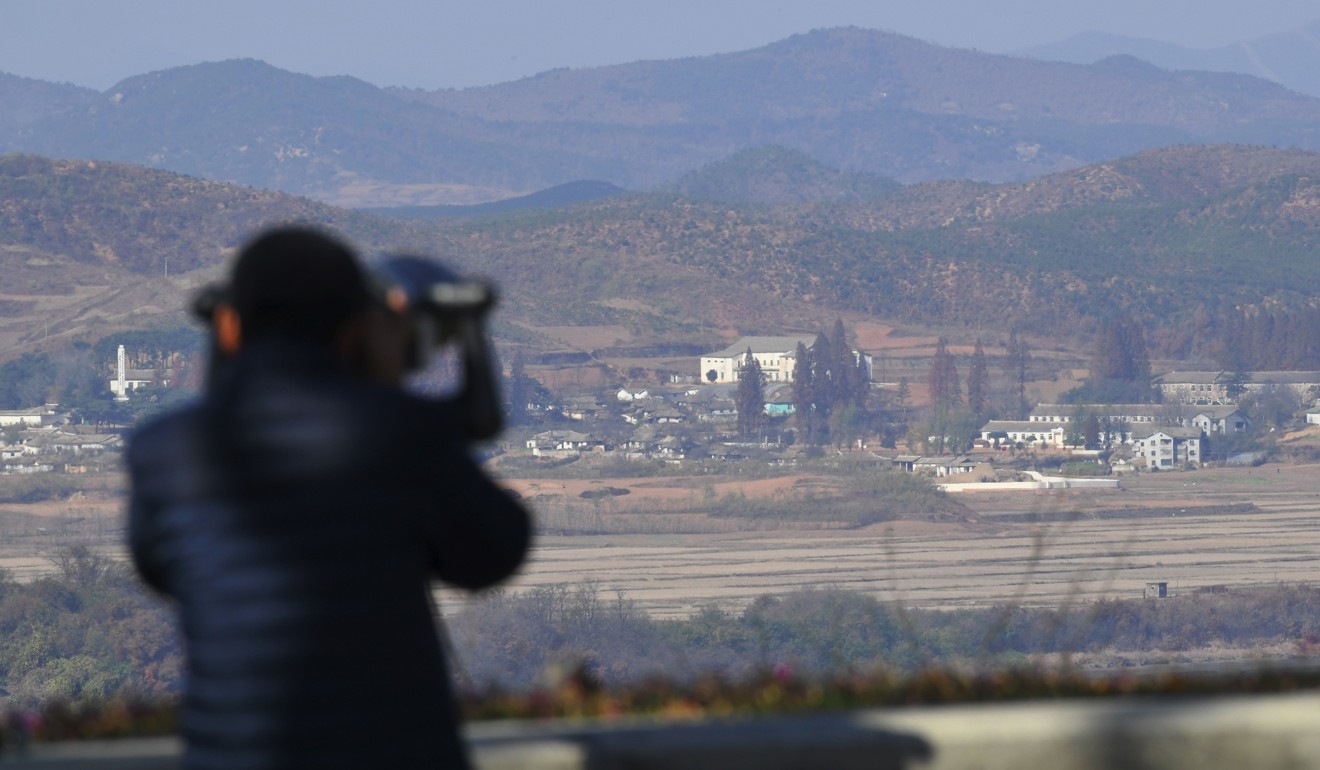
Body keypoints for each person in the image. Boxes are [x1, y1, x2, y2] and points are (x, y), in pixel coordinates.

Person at [128, 227, 531, 769]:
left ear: (228, 326)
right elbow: (490, 557)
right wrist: (400, 398)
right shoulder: (400, 435)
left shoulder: (163, 453)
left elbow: (163, 572)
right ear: (356, 330)